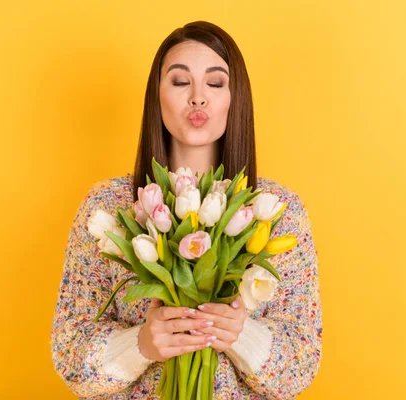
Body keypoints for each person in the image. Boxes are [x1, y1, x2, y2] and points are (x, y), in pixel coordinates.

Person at [50, 21, 322, 399]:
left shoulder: (275, 211)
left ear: (235, 98)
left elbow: (301, 364)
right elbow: (70, 355)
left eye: (215, 83)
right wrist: (141, 344)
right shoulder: (107, 210)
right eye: (180, 82)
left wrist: (241, 336)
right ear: (156, 97)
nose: (198, 98)